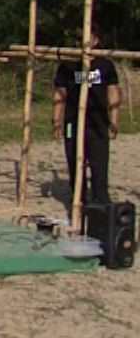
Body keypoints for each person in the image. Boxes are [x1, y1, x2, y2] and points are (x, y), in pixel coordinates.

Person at [52, 25, 121, 206]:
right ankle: (79, 198)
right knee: (74, 160)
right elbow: (60, 93)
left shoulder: (105, 65)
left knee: (99, 162)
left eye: (88, 37)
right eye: (80, 38)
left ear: (95, 40)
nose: (83, 41)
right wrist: (56, 120)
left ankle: (101, 199)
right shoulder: (68, 65)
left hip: (98, 122)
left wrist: (114, 120)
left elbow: (113, 91)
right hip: (72, 122)